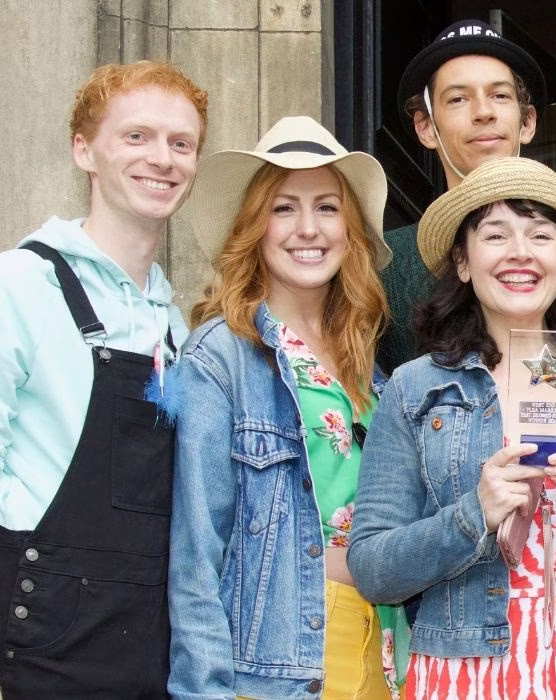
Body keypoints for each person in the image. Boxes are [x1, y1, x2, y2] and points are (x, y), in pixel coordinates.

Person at [348, 156, 556, 699]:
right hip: (465, 678)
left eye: (540, 235)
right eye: (496, 235)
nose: (520, 252)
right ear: (463, 262)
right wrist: (477, 512)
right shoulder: (415, 389)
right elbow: (374, 570)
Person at [166, 116, 408, 699]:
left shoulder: (369, 365)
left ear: (350, 230)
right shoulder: (220, 355)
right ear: (255, 228)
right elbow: (196, 554)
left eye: (326, 207)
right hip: (283, 661)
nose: (308, 228)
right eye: (283, 208)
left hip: (388, 651)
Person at [0, 60, 206, 698]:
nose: (163, 159)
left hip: (148, 639)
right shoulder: (20, 284)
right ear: (83, 149)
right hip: (40, 635)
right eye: (136, 136)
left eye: (181, 144)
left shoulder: (174, 323)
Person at [379, 18, 556, 372]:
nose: (484, 112)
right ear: (425, 127)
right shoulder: (385, 264)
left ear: (528, 121)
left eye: (500, 95)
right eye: (458, 98)